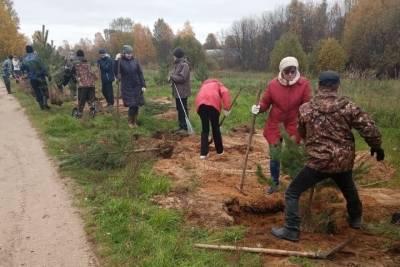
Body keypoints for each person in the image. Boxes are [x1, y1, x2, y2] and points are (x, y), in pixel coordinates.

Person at [271, 71, 384, 242]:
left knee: (292, 193)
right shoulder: (349, 107)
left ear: (319, 86)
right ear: (337, 86)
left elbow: (301, 132)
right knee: (349, 189)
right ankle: (355, 220)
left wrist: (311, 142)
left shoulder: (306, 108)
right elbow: (368, 128)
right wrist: (376, 147)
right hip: (343, 161)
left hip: (318, 162)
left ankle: (291, 230)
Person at [251, 57, 311, 194]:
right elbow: (265, 103)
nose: (290, 74)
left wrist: (308, 119)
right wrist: (258, 108)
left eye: (293, 71)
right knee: (275, 155)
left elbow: (307, 105)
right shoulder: (273, 85)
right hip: (275, 123)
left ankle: (296, 184)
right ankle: (274, 183)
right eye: (287, 71)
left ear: (296, 70)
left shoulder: (304, 84)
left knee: (293, 154)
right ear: (281, 72)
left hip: (294, 123)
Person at [195, 78, 232, 159]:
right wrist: (227, 108)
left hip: (200, 105)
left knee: (205, 129)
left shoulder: (204, 85)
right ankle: (220, 151)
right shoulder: (218, 84)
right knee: (215, 128)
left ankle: (203, 154)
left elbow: (199, 95)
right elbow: (225, 92)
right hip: (213, 105)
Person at [115, 45, 146, 128]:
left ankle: (135, 122)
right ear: (124, 53)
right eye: (127, 53)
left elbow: (140, 73)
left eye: (130, 53)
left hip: (137, 86)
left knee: (137, 105)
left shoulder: (135, 61)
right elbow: (116, 72)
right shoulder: (120, 61)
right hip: (127, 86)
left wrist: (143, 85)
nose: (129, 55)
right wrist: (116, 61)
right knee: (132, 105)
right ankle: (130, 122)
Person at [63, 49, 97, 118]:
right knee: (91, 98)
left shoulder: (76, 64)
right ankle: (92, 110)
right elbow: (92, 73)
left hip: (82, 85)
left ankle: (79, 113)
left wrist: (65, 82)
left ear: (77, 55)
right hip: (91, 84)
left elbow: (70, 73)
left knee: (81, 99)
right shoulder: (88, 63)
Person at [21, 45, 51, 109]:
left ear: (26, 51)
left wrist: (26, 74)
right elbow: (43, 67)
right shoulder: (37, 57)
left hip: (32, 78)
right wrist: (48, 75)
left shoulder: (24, 59)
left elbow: (22, 68)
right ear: (32, 49)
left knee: (37, 91)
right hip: (40, 77)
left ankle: (41, 105)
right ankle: (45, 103)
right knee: (44, 90)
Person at [169, 47, 191, 133]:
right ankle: (181, 126)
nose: (173, 57)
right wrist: (171, 78)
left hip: (183, 92)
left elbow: (182, 78)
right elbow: (175, 77)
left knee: (183, 109)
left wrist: (172, 77)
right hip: (178, 92)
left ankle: (185, 127)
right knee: (179, 108)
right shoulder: (177, 65)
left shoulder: (184, 65)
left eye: (174, 56)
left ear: (177, 56)